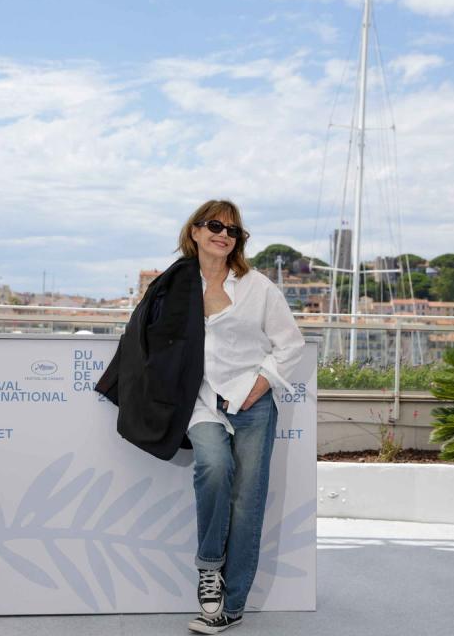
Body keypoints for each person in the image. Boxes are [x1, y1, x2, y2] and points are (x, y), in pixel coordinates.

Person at [178, 200, 305, 634]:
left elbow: (290, 344)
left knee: (247, 502)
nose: (224, 235)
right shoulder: (174, 285)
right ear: (194, 232)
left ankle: (230, 607)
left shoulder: (259, 287)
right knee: (213, 467)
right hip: (201, 401)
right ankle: (209, 568)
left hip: (252, 403)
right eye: (215, 225)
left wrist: (261, 384)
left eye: (234, 231)